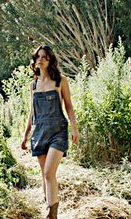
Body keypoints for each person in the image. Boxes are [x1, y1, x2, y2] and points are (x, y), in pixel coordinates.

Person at [21, 45, 79, 219]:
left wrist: (74, 128)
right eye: (38, 57)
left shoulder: (60, 80)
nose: (41, 59)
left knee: (48, 173)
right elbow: (32, 112)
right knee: (45, 174)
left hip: (58, 131)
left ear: (50, 60)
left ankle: (51, 214)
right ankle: (49, 205)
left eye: (45, 57)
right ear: (35, 61)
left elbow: (68, 105)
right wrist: (25, 135)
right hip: (39, 132)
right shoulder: (33, 85)